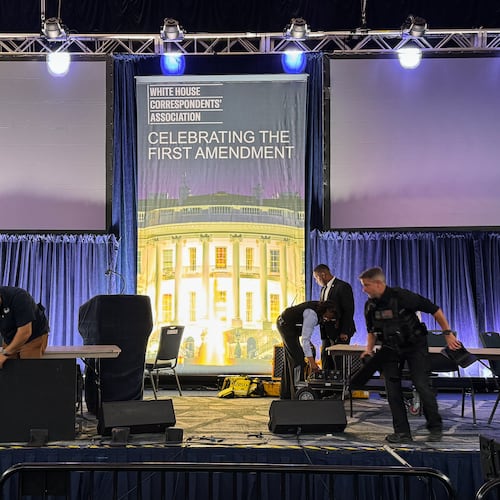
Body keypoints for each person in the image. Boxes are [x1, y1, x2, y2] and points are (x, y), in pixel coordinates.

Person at [351, 267, 461, 444]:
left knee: (421, 384)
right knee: (392, 389)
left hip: (415, 346)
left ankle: (435, 427)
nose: (364, 289)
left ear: (379, 284)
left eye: (366, 285)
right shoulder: (370, 306)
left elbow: (435, 310)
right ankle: (402, 433)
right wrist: (368, 349)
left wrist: (447, 334)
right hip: (390, 349)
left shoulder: (402, 296)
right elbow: (371, 330)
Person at [276, 300, 336, 399]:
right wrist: (312, 363)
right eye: (331, 315)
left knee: (290, 360)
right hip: (285, 325)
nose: (330, 319)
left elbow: (305, 335)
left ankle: (286, 394)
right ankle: (297, 392)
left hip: (289, 325)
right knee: (298, 360)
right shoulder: (312, 315)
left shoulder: (317, 310)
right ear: (327, 310)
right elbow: (305, 340)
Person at [313, 264, 355, 371]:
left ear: (323, 274)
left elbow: (348, 310)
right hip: (326, 332)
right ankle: (328, 384)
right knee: (326, 359)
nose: (316, 281)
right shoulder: (323, 289)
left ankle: (341, 385)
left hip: (340, 331)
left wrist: (345, 331)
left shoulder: (343, 287)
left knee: (339, 362)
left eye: (316, 278)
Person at [0, 286, 50, 368]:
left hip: (33, 335)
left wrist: (5, 353)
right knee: (7, 370)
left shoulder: (19, 297)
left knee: (28, 371)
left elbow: (25, 332)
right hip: (10, 337)